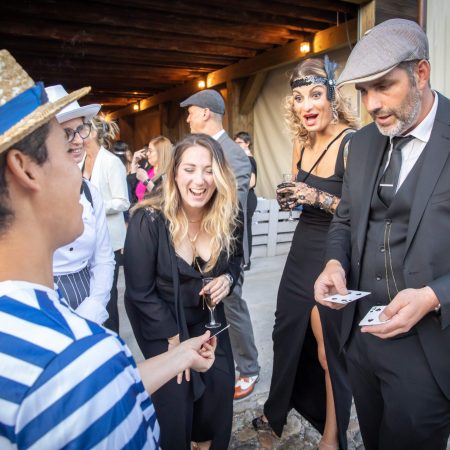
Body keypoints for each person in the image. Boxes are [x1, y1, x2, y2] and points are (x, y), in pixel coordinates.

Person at [0, 49, 217, 449]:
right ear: (25, 168)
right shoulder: (77, 364)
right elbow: (90, 382)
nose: (79, 166)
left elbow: (113, 382)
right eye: (67, 147)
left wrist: (181, 356)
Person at [314, 19, 450, 450]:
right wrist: (334, 262)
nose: (372, 104)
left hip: (431, 348)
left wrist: (433, 295)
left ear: (421, 73)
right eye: (363, 92)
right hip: (362, 340)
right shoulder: (365, 142)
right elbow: (346, 220)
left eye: (384, 87)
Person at [252, 56, 358, 450]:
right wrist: (291, 196)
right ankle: (278, 409)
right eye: (299, 98)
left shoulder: (352, 141)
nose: (307, 105)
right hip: (301, 249)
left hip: (337, 251)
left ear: (332, 96)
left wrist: (314, 195)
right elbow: (298, 189)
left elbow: (359, 209)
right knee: (285, 331)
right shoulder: (301, 141)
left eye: (316, 94)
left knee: (328, 350)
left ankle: (332, 437)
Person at [124, 133, 242, 449]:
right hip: (162, 324)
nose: (200, 180)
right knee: (177, 401)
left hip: (210, 323)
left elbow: (236, 264)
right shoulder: (147, 219)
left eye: (208, 170)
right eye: (190, 169)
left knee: (217, 393)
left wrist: (227, 282)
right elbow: (139, 292)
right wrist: (174, 344)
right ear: (174, 172)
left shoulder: (229, 214)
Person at [180, 89, 260, 399]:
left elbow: (233, 211)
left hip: (224, 249)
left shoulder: (235, 155)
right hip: (193, 244)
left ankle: (249, 368)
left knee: (232, 304)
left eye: (191, 110)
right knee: (205, 305)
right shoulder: (198, 148)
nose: (187, 117)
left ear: (205, 113)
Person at [45, 84, 115, 325]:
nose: (77, 141)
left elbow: (104, 258)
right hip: (45, 302)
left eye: (81, 130)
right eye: (66, 133)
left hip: (88, 295)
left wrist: (94, 305)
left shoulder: (90, 192)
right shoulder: (28, 195)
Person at [83, 115, 130, 333]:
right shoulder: (80, 160)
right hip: (86, 238)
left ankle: (112, 339)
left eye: (82, 130)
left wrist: (96, 204)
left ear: (93, 133)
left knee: (108, 295)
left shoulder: (111, 162)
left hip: (112, 241)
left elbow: (123, 202)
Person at [234, 131, 257, 271]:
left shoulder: (248, 159)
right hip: (245, 198)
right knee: (243, 230)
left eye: (239, 143)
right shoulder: (246, 158)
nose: (237, 145)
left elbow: (252, 182)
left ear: (247, 143)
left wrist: (234, 187)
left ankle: (246, 261)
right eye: (235, 143)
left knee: (245, 230)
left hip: (248, 199)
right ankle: (244, 259)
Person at [129, 135, 173, 204]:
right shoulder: (149, 168)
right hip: (140, 212)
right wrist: (134, 164)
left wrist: (146, 181)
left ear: (161, 153)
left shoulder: (168, 174)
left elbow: (163, 199)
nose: (147, 153)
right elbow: (132, 191)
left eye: (150, 151)